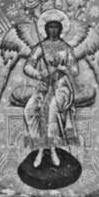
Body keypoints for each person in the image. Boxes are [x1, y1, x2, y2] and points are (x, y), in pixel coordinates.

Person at [23, 12, 78, 169]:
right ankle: (40, 147)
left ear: (60, 29)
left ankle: (53, 148)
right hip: (45, 84)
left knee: (53, 107)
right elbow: (27, 66)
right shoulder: (40, 47)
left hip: (62, 86)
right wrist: (40, 74)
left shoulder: (66, 48)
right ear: (46, 29)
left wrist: (62, 68)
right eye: (50, 27)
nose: (53, 30)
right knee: (30, 109)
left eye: (56, 27)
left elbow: (75, 70)